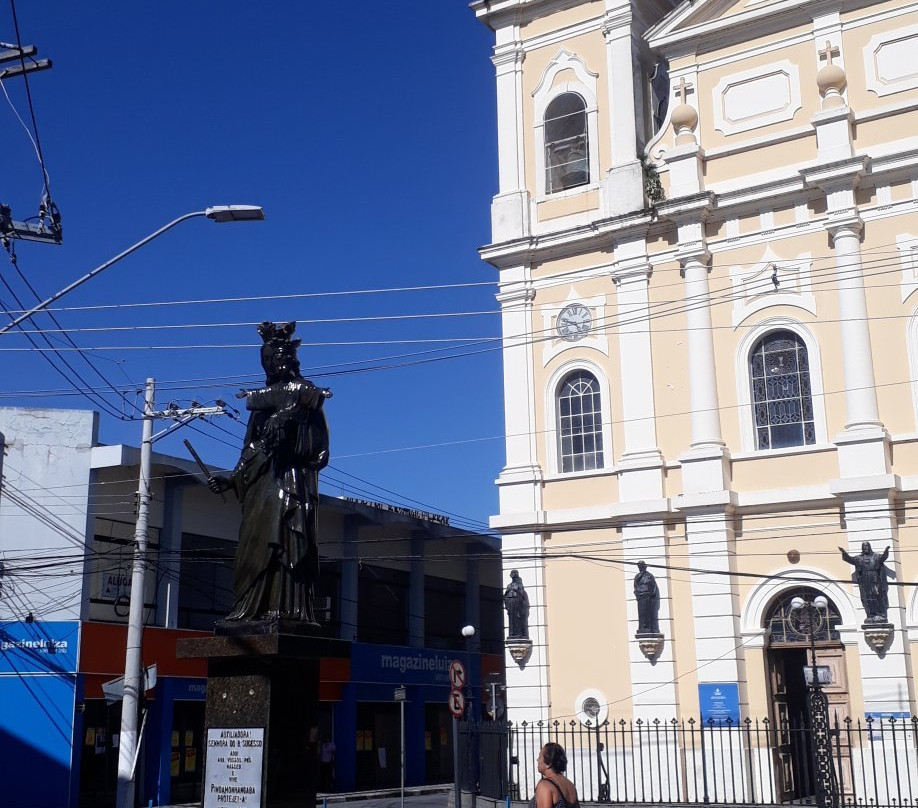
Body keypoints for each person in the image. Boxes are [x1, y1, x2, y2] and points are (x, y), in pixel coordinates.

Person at [209, 321, 332, 623]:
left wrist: (289, 428)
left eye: (277, 359)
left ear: (289, 359)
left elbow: (320, 451)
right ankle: (251, 606)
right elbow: (248, 449)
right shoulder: (262, 402)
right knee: (252, 546)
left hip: (291, 482)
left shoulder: (307, 395)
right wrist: (231, 479)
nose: (272, 365)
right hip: (260, 484)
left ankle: (287, 610)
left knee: (286, 546)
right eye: (267, 361)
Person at [839, 542, 891, 623]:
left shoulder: (876, 556)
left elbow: (883, 558)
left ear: (869, 547)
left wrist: (886, 551)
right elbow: (850, 559)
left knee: (877, 594)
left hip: (875, 578)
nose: (865, 548)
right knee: (867, 597)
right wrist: (844, 552)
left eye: (866, 546)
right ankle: (870, 615)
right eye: (863, 546)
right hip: (864, 579)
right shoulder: (859, 558)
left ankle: (880, 614)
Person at [530, 742, 580, 808]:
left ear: (549, 763)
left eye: (540, 756)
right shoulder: (570, 785)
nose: (537, 760)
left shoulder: (545, 786)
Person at [633, 561, 659, 634]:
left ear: (644, 567)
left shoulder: (649, 576)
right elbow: (635, 586)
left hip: (647, 596)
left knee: (648, 613)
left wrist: (651, 594)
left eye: (641, 566)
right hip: (640, 597)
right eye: (639, 566)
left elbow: (653, 587)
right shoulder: (637, 576)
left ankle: (649, 627)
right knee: (641, 613)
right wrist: (637, 594)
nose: (640, 568)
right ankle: (642, 627)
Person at [504, 569, 530, 639]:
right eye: (512, 574)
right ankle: (512, 633)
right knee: (511, 618)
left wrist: (516, 590)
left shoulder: (519, 585)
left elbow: (521, 595)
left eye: (514, 574)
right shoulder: (509, 585)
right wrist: (506, 605)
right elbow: (505, 595)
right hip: (510, 602)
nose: (513, 576)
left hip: (517, 602)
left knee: (517, 618)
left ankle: (519, 633)